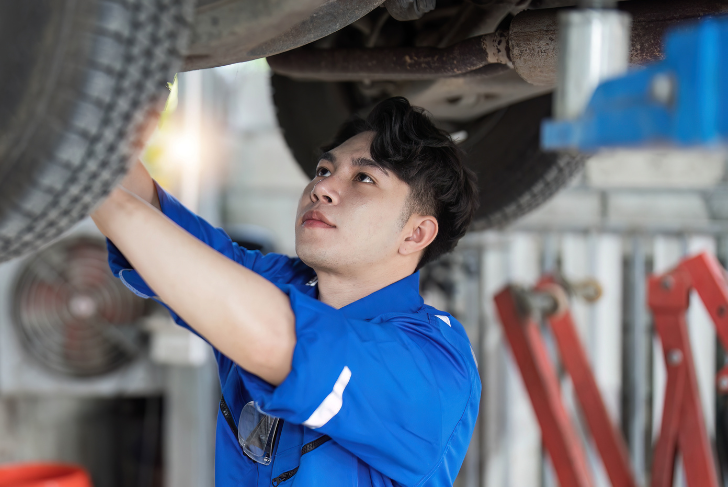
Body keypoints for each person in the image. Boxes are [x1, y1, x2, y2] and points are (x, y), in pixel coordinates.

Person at [90, 96, 481, 487]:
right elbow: (157, 229)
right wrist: (103, 112)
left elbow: (279, 342)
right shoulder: (284, 283)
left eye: (364, 178)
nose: (322, 186)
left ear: (416, 233)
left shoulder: (435, 363)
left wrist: (82, 178)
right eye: (323, 169)